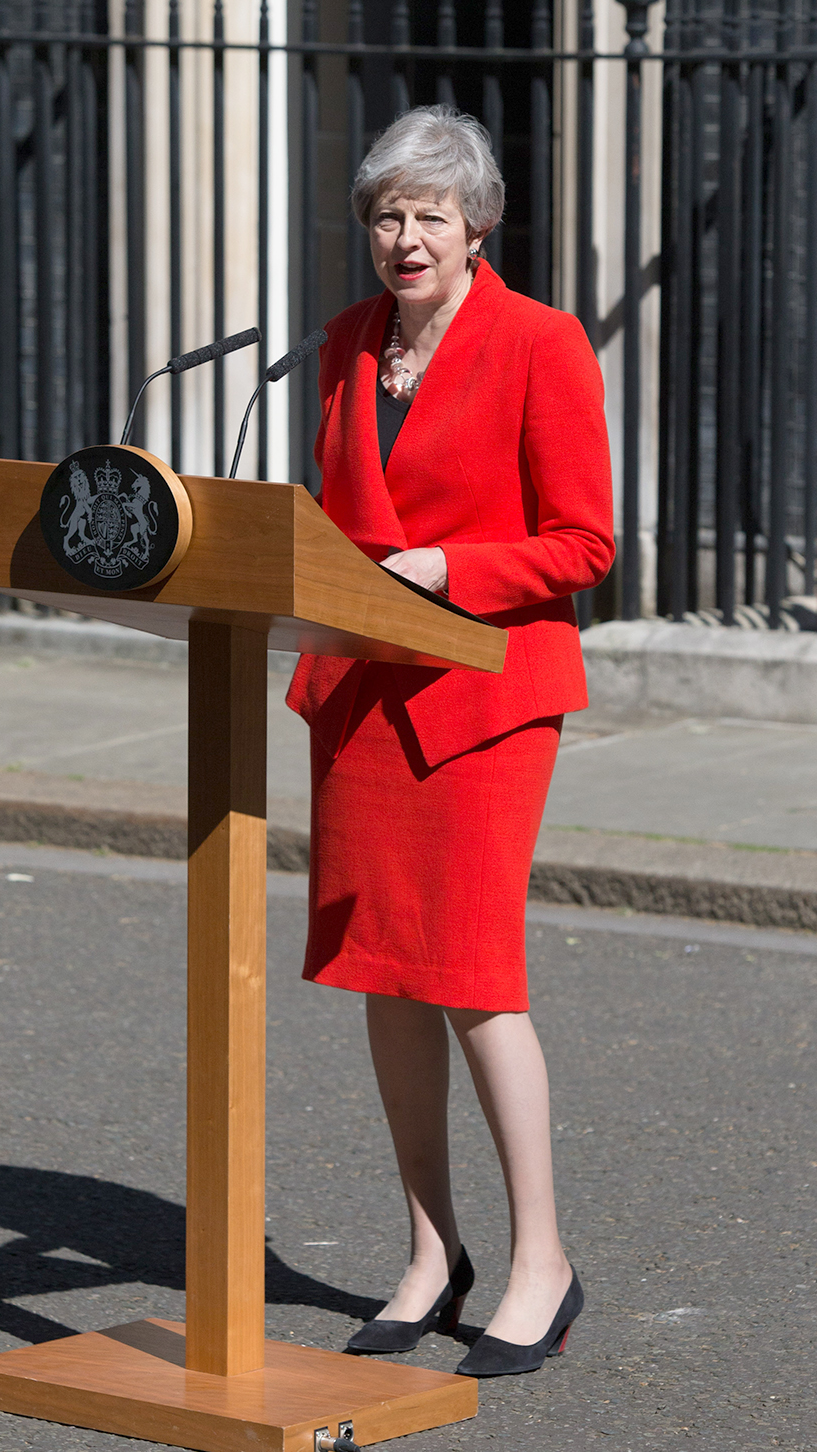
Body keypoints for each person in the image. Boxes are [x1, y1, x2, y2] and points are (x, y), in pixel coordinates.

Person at [286, 105, 615, 1378]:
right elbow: (325, 515)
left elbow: (584, 544)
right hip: (363, 694)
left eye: (428, 212)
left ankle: (543, 1260)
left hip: (483, 702)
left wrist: (450, 567)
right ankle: (431, 1251)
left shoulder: (539, 343)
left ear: (478, 223)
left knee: (473, 976)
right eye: (383, 213)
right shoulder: (345, 345)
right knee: (385, 975)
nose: (402, 236)